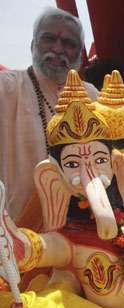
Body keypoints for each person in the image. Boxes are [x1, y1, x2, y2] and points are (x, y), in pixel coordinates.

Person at [0, 7, 98, 229]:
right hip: (19, 235)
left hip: (81, 232)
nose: (57, 49)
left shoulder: (91, 96)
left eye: (69, 44)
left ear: (80, 55)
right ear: (33, 45)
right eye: (48, 39)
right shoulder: (8, 88)